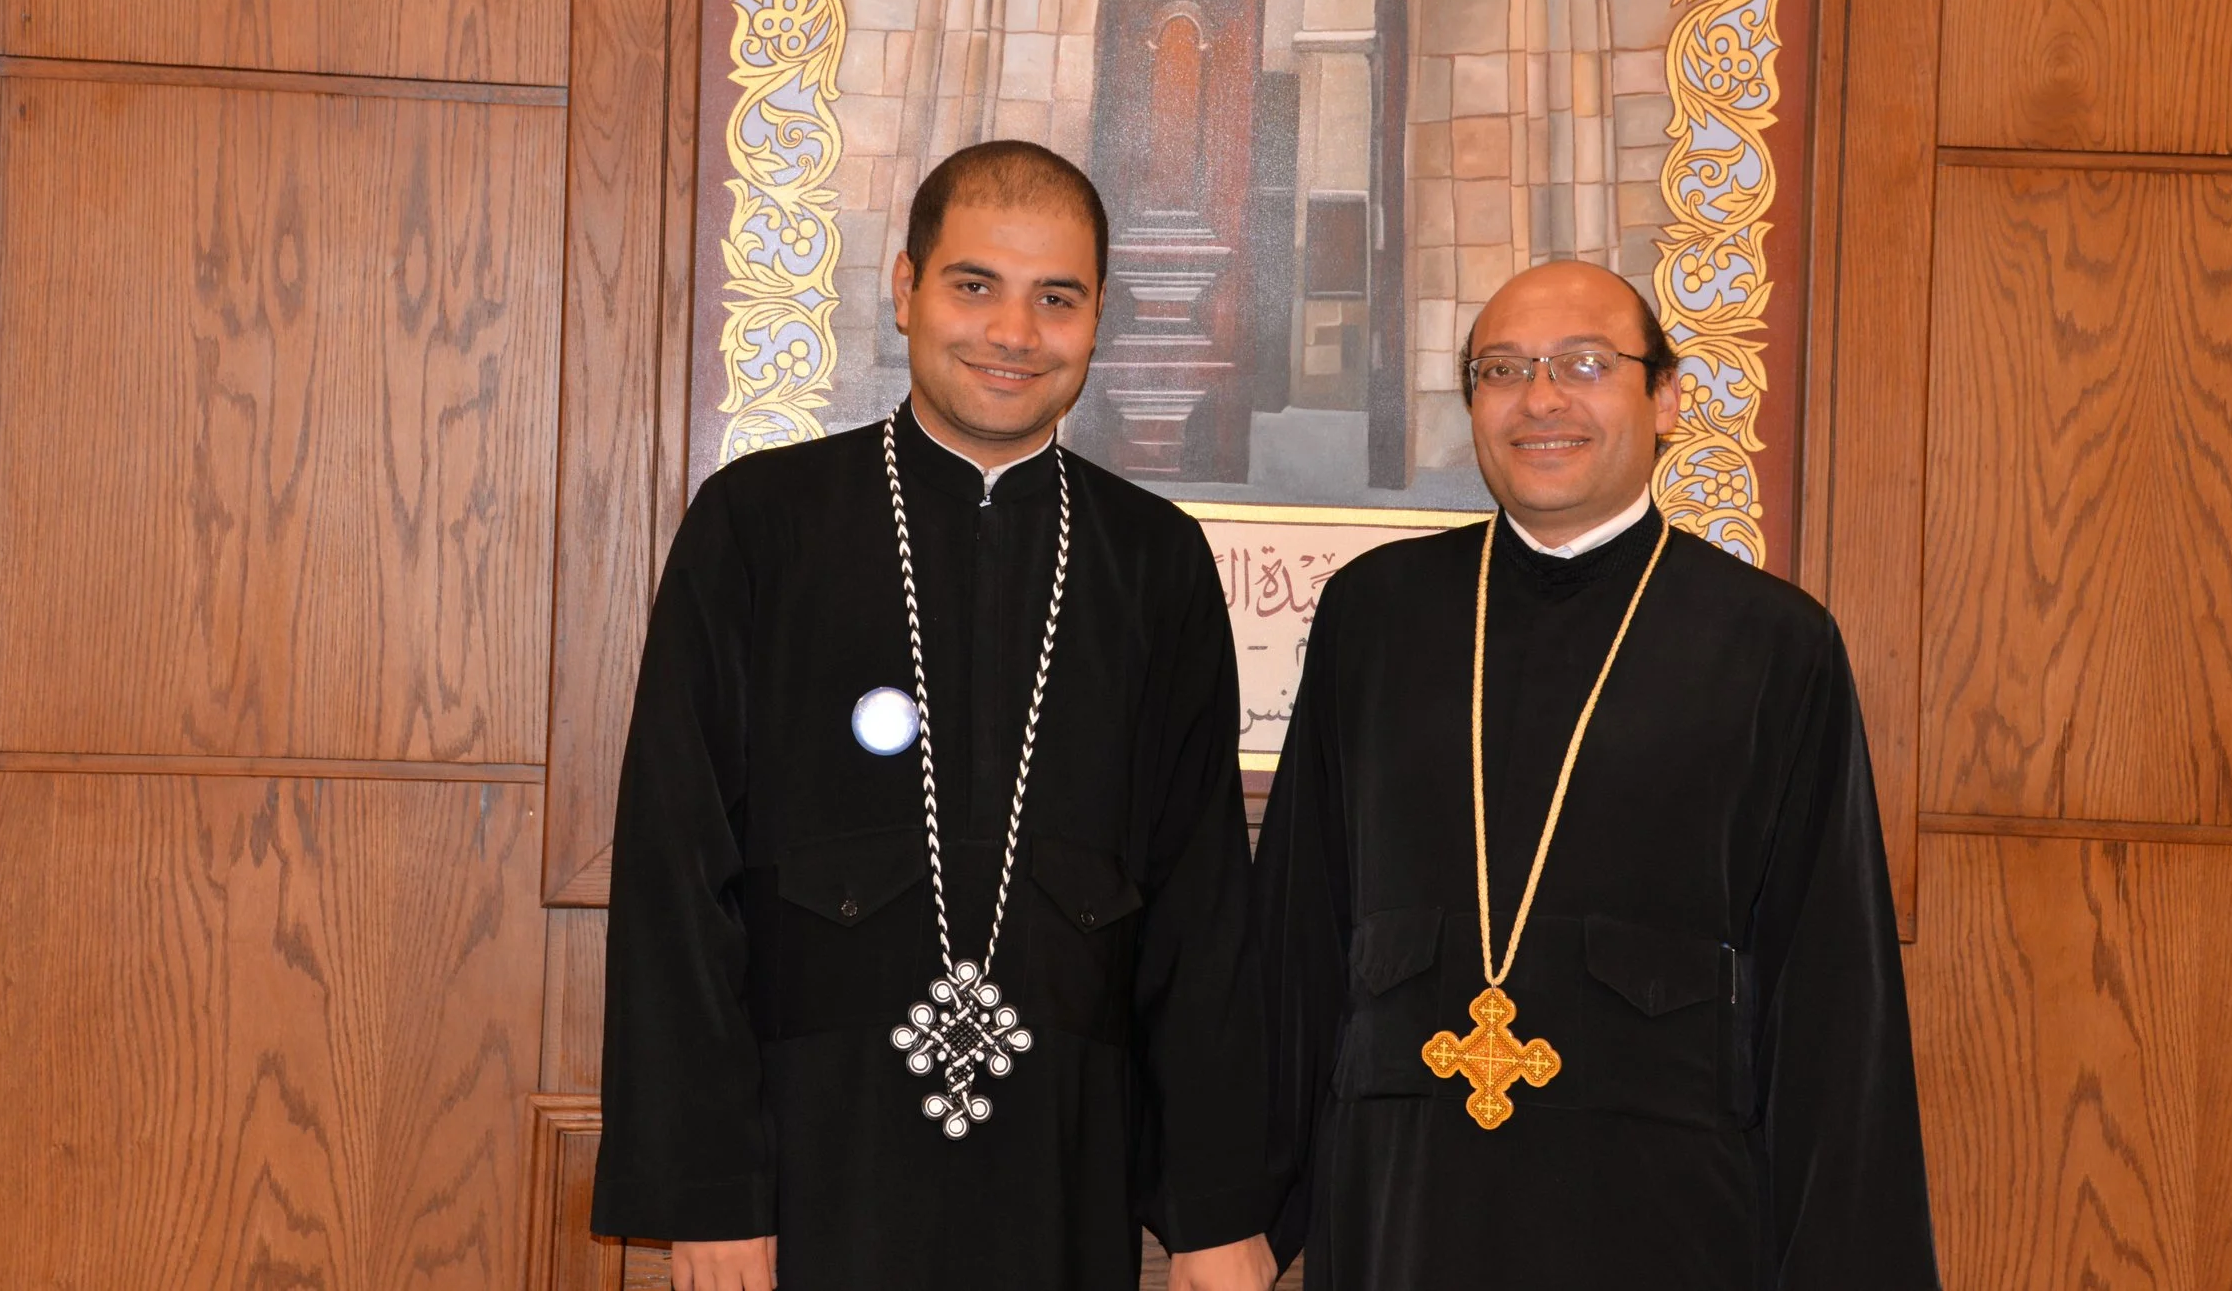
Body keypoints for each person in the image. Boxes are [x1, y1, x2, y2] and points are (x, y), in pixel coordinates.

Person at [593, 140, 1280, 1291]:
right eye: (975, 285)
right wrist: (709, 1188)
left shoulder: (1152, 560)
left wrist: (1213, 1208)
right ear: (905, 287)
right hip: (809, 1154)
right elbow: (677, 867)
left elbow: (1200, 902)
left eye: (1055, 298)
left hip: (1064, 1153)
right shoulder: (760, 524)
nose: (1013, 332)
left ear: (1096, 319)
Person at [1252, 260, 1939, 1288]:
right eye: (1503, 369)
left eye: (1583, 364)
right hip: (1405, 1208)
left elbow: (1832, 994)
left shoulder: (1769, 644)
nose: (1540, 399)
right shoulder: (1376, 616)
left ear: (1665, 398)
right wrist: (1240, 1215)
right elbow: (1296, 939)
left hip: (1661, 1219)